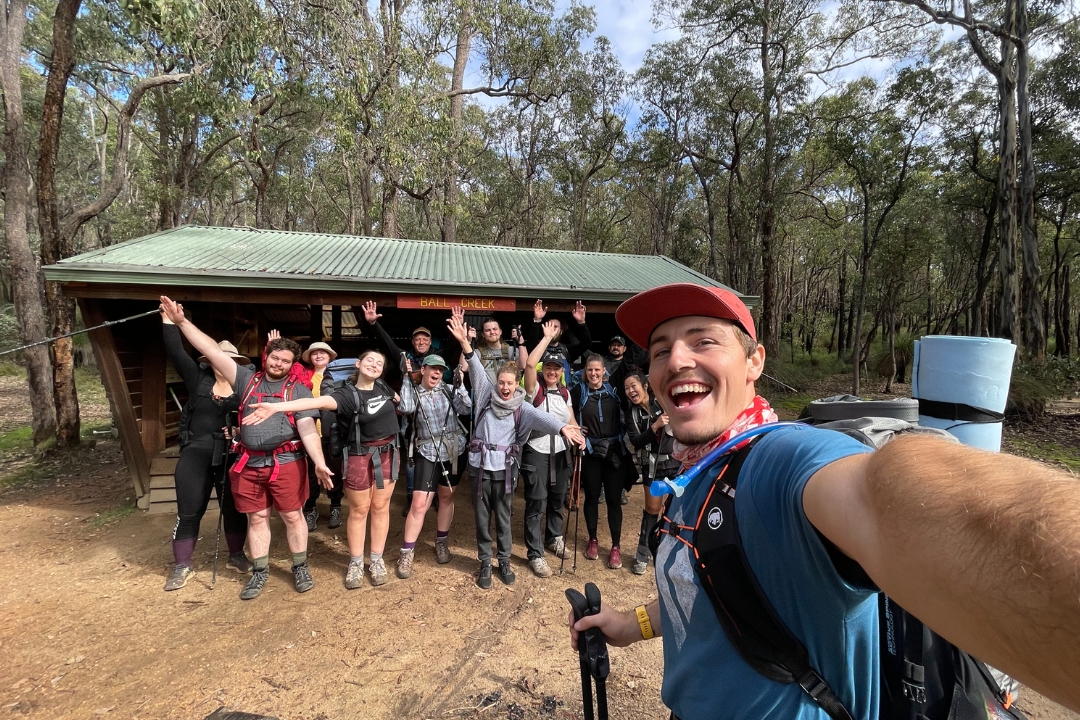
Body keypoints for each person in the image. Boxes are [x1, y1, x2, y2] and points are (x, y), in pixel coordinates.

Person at [569, 282, 1080, 719]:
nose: (676, 359)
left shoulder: (779, 458)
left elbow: (883, 495)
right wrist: (629, 625)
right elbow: (705, 585)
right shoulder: (698, 467)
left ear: (754, 363)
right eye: (660, 349)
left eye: (703, 340)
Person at [159, 296, 332, 601]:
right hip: (249, 463)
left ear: (292, 366)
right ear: (266, 356)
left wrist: (318, 462)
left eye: (284, 361)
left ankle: (300, 566)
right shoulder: (245, 381)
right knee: (258, 518)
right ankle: (260, 571)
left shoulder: (297, 390)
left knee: (293, 517)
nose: (278, 364)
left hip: (287, 460)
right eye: (274, 358)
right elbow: (210, 350)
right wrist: (181, 322)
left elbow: (306, 427)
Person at [446, 306, 585, 589]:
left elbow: (542, 417)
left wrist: (563, 427)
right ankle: (485, 562)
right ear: (495, 383)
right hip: (481, 467)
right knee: (482, 517)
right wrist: (464, 342)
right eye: (501, 382)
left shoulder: (521, 405)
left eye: (509, 383)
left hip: (506, 470)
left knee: (504, 517)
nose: (505, 387)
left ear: (516, 384)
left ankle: (505, 560)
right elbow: (474, 366)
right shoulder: (486, 395)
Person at [244, 349, 401, 589]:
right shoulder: (345, 395)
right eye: (370, 360)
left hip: (389, 453)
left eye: (379, 363)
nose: (374, 365)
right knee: (360, 510)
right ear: (358, 364)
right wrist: (277, 407)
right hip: (360, 456)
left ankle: (377, 559)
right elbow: (315, 402)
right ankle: (357, 562)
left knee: (381, 507)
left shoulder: (384, 387)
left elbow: (398, 401)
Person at [160, 316, 252, 591]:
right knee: (189, 512)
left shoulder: (244, 387)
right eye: (220, 357)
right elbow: (175, 351)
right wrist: (169, 321)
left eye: (230, 359)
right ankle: (182, 565)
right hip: (196, 454)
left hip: (230, 454)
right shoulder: (197, 379)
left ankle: (236, 555)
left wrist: (238, 432)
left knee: (234, 509)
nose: (225, 363)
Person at [361, 300, 447, 513]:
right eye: (417, 339)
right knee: (411, 457)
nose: (421, 342)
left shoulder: (437, 359)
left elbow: (456, 351)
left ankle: (431, 495)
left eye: (424, 339)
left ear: (430, 342)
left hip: (433, 415)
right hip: (409, 417)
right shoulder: (404, 357)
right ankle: (411, 496)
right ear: (412, 342)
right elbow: (387, 341)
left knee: (435, 454)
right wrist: (373, 324)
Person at [396, 354, 472, 577]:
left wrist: (461, 385)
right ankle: (407, 552)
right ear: (424, 369)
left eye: (441, 369)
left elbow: (466, 408)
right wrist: (406, 378)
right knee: (420, 503)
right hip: (427, 452)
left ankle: (441, 541)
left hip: (454, 451)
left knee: (447, 496)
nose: (437, 373)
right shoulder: (414, 390)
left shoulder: (449, 388)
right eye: (433, 369)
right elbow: (407, 408)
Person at [520, 320, 579, 577]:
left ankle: (553, 537)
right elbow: (530, 364)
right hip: (537, 450)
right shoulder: (534, 389)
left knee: (557, 498)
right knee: (536, 501)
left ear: (562, 370)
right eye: (549, 367)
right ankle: (535, 553)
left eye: (557, 368)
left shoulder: (565, 393)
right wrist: (546, 338)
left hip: (561, 452)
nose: (552, 371)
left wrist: (579, 436)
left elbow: (571, 420)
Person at [570, 353, 627, 569]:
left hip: (614, 452)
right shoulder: (579, 390)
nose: (593, 373)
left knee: (613, 499)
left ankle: (615, 546)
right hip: (591, 452)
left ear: (604, 371)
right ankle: (593, 540)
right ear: (585, 371)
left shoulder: (614, 389)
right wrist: (576, 426)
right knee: (592, 497)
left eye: (597, 369)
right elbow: (566, 409)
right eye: (589, 370)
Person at [622, 369, 676, 576]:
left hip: (674, 463)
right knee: (651, 511)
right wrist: (654, 426)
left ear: (645, 386)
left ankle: (669, 551)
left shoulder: (661, 401)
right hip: (651, 466)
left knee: (674, 510)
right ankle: (642, 554)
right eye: (627, 388)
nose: (630, 391)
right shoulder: (631, 414)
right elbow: (636, 441)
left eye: (633, 386)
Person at [300, 341, 345, 531]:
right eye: (314, 353)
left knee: (333, 469)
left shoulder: (338, 376)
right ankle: (310, 509)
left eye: (322, 353)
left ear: (330, 357)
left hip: (332, 431)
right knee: (310, 473)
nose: (318, 356)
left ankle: (335, 506)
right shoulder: (303, 376)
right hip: (310, 431)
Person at [524, 299, 592, 371]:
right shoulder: (538, 349)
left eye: (555, 327)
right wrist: (537, 320)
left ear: (561, 331)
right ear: (544, 329)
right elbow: (531, 343)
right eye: (550, 326)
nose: (552, 329)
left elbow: (587, 343)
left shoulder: (567, 350)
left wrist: (581, 322)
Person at [473, 317, 515, 386]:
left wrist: (520, 341)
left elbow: (523, 366)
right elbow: (464, 367)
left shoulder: (511, 350)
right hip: (486, 394)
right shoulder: (478, 352)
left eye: (495, 329)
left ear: (500, 331)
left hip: (507, 393)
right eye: (487, 330)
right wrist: (467, 341)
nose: (492, 332)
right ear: (483, 334)